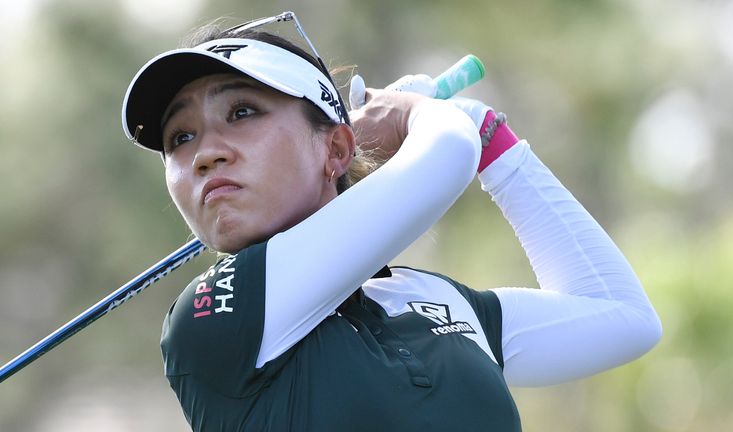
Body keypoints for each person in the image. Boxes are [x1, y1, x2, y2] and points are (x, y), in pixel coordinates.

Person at [121, 12, 662, 432]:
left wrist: (487, 134)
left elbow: (620, 318)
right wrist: (413, 114)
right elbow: (446, 156)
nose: (204, 154)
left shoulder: (428, 297)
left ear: (335, 148)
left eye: (241, 113)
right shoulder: (212, 317)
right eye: (180, 138)